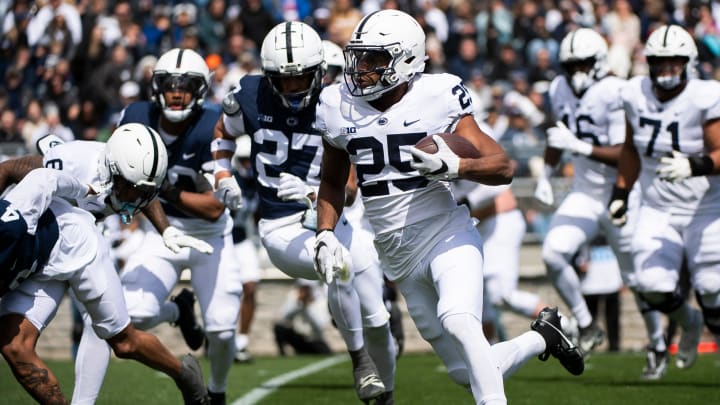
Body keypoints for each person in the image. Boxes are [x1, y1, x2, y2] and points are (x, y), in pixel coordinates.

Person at [314, 10, 583, 404]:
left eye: (375, 59)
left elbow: (502, 165)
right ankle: (542, 335)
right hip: (398, 256)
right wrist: (324, 233)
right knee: (464, 371)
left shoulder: (437, 95)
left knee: (459, 320)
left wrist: (457, 166)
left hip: (446, 233)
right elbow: (334, 181)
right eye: (361, 57)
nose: (363, 69)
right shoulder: (336, 105)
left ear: (406, 60)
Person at [211, 22, 396, 404]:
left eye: (301, 80)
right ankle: (359, 361)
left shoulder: (339, 102)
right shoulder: (249, 94)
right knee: (338, 264)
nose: (292, 89)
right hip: (281, 226)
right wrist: (223, 175)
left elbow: (348, 191)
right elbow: (222, 135)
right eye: (284, 80)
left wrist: (314, 193)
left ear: (319, 73)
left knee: (379, 320)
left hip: (333, 216)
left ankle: (386, 397)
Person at [0, 125, 215, 402]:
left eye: (139, 192)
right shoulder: (74, 160)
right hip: (40, 250)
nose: (130, 199)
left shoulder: (130, 181)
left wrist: (166, 229)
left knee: (123, 342)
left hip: (80, 244)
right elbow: (29, 174)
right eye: (126, 187)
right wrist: (83, 188)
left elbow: (141, 191)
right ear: (109, 166)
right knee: (14, 346)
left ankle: (184, 375)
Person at [533, 28, 666, 376]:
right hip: (584, 194)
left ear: (599, 63)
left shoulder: (616, 91)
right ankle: (587, 324)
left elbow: (627, 154)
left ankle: (658, 344)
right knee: (552, 253)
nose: (576, 71)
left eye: (583, 64)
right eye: (571, 64)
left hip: (621, 193)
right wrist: (547, 173)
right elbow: (557, 134)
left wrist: (580, 148)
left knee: (636, 279)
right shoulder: (559, 88)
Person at [115, 47, 243, 405]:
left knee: (220, 326)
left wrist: (164, 189)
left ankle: (216, 392)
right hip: (160, 231)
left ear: (200, 91)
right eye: (169, 84)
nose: (176, 92)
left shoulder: (211, 125)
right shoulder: (136, 116)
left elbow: (214, 208)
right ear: (156, 87)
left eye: (185, 86)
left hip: (210, 237)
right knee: (132, 312)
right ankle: (178, 311)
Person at [609, 24, 712, 373]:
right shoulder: (634, 93)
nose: (667, 69)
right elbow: (629, 150)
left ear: (689, 63)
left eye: (675, 62)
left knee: (713, 289)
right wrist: (620, 193)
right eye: (660, 61)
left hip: (706, 208)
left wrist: (695, 164)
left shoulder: (705, 95)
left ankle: (703, 322)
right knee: (649, 284)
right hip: (658, 206)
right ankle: (690, 322)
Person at [229, 136, 262, 364]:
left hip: (242, 240)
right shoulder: (228, 180)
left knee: (250, 286)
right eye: (244, 160)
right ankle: (219, 337)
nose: (248, 164)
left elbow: (258, 214)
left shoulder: (257, 184)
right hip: (221, 243)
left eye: (250, 160)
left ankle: (242, 341)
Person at [273, 279, 333, 356]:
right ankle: (282, 353)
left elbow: (319, 326)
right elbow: (284, 316)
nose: (304, 292)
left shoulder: (321, 301)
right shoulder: (293, 297)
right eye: (302, 288)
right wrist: (299, 305)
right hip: (298, 337)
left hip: (313, 339)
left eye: (307, 289)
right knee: (279, 327)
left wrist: (306, 309)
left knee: (326, 353)